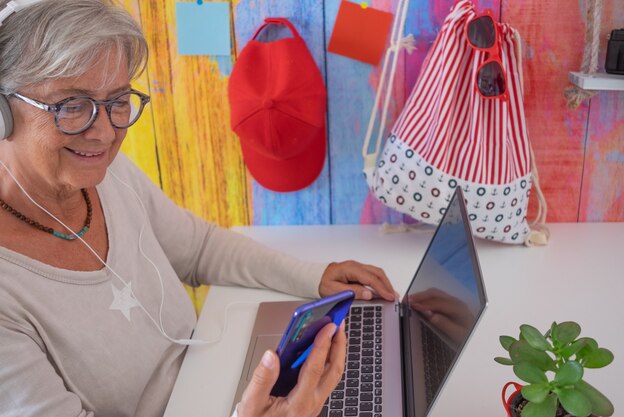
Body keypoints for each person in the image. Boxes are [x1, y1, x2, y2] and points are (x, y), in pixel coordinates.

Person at [0, 1, 397, 416]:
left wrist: (314, 277)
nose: (103, 133)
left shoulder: (104, 173)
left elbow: (200, 248)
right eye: (71, 105)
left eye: (118, 101)